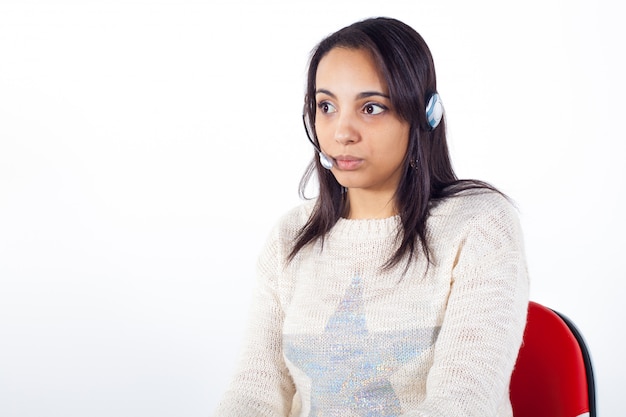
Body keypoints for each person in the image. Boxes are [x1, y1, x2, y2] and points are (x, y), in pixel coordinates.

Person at [213, 17, 529, 417]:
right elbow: (254, 390)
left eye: (371, 107)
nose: (342, 132)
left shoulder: (478, 224)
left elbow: (464, 401)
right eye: (326, 106)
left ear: (424, 115)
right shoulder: (289, 236)